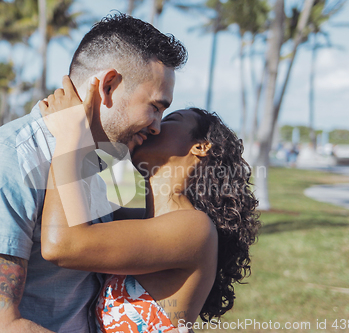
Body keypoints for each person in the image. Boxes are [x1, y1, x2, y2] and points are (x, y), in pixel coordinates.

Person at [0, 14, 187, 333]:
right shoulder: (5, 162)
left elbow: (136, 236)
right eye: (155, 106)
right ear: (108, 86)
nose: (157, 126)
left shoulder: (109, 158)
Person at [39, 78, 261, 331]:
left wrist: (69, 134)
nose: (154, 126)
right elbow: (106, 141)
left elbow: (62, 244)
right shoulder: (136, 203)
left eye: (169, 120)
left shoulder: (194, 228)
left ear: (200, 147)